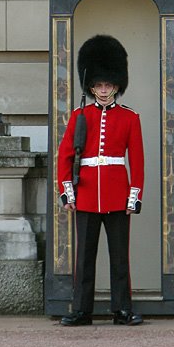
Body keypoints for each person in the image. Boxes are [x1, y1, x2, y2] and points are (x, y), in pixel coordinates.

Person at [57, 34, 144, 327]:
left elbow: (138, 160)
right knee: (84, 258)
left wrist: (134, 196)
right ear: (91, 86)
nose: (103, 90)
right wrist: (68, 192)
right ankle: (82, 310)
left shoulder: (130, 118)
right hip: (86, 193)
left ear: (117, 85)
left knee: (120, 258)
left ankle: (122, 310)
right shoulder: (79, 115)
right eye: (98, 85)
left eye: (108, 85)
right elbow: (65, 157)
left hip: (118, 194)